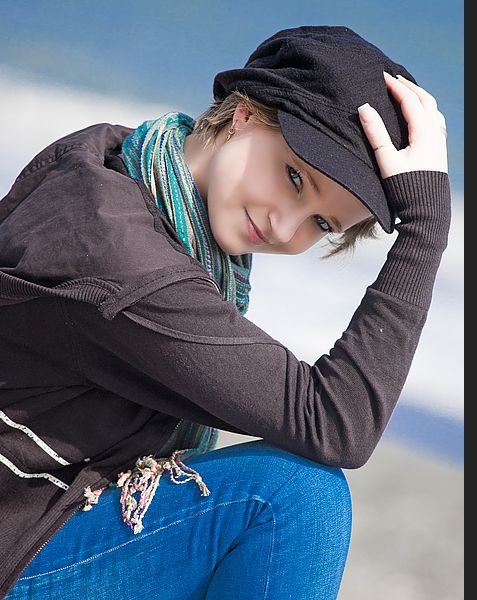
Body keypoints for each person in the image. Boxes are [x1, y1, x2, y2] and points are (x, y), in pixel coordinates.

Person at [0, 25, 450, 599]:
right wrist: (425, 230)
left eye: (321, 224)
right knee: (292, 498)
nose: (284, 226)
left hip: (42, 516)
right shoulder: (124, 264)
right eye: (294, 179)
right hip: (18, 547)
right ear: (243, 114)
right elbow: (338, 423)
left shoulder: (117, 158)